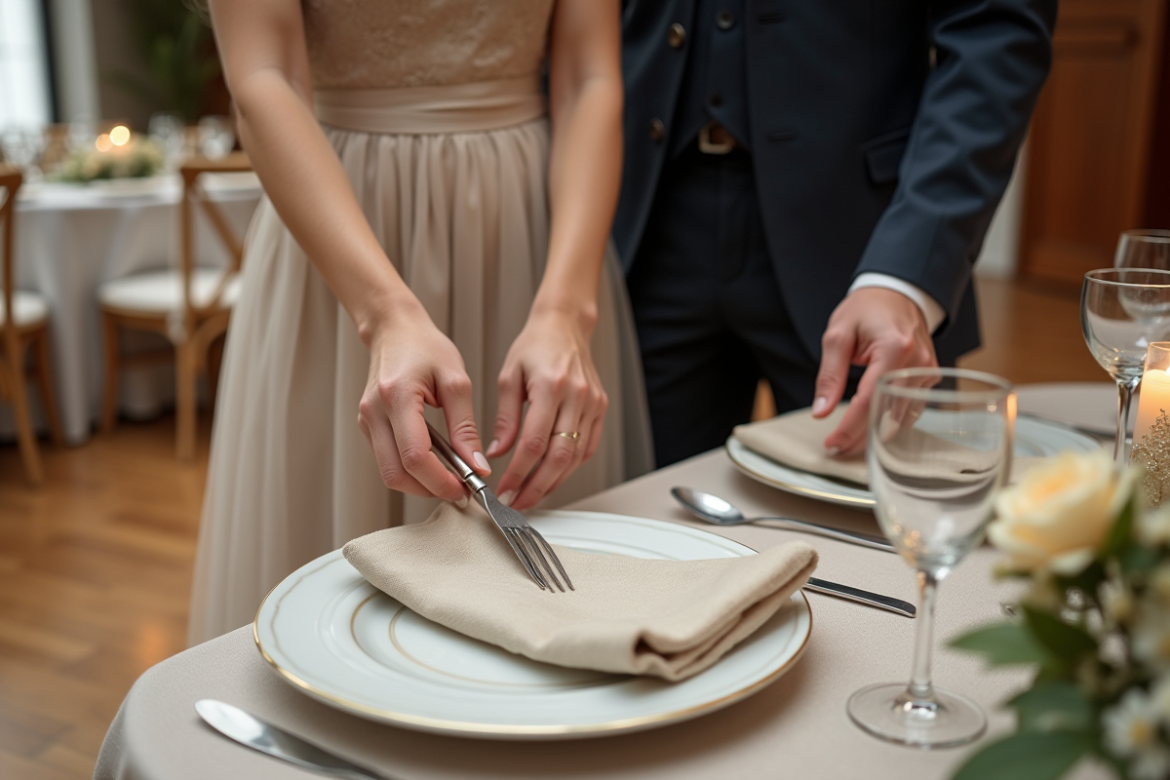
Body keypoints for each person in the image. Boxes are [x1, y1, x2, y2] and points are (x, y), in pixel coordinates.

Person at [187, 0, 652, 645]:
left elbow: (589, 79)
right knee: (328, 591)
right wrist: (383, 313)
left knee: (553, 587)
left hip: (532, 238)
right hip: (340, 233)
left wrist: (567, 309)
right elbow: (266, 79)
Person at [614, 0, 1057, 466]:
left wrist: (904, 275)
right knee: (646, 517)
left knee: (875, 515)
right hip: (643, 229)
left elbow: (992, 29)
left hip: (865, 238)